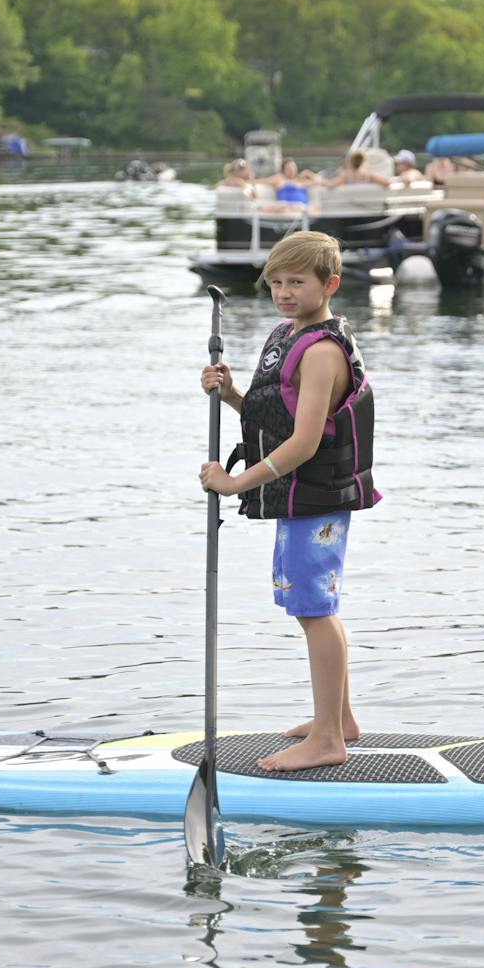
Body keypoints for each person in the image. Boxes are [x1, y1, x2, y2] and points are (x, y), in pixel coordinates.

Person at [198, 231, 381, 772]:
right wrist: (230, 393)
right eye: (275, 282)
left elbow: (303, 444)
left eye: (296, 282)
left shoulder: (323, 351)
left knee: (313, 611)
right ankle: (340, 719)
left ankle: (328, 740)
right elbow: (279, 419)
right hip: (300, 497)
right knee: (313, 609)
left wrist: (236, 484)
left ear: (330, 284)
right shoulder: (286, 334)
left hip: (318, 498)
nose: (283, 292)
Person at [319, 150, 386, 189]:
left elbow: (331, 185)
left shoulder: (346, 175)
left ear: (349, 162)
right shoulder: (369, 175)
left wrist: (319, 181)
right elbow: (387, 183)